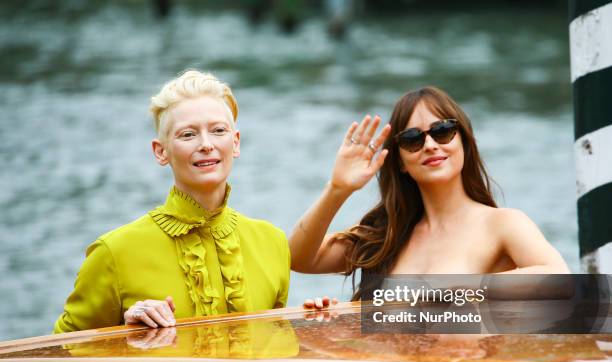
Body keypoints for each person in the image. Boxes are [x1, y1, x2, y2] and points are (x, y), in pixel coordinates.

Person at [54, 70, 290, 332]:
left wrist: (318, 318)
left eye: (218, 130)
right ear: (161, 151)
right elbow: (58, 354)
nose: (206, 144)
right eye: (188, 135)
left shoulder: (273, 243)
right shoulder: (113, 253)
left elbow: (276, 349)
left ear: (235, 143)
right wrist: (125, 334)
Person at [290, 86, 569, 305]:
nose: (430, 145)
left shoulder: (502, 224)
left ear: (464, 141)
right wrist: (338, 189)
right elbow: (297, 258)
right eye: (413, 139)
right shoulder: (385, 236)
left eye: (443, 131)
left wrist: (450, 291)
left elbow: (558, 278)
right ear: (399, 161)